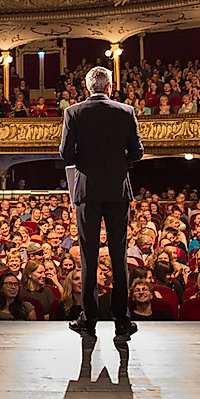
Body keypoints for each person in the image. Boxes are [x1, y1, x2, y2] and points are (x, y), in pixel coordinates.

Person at [60, 65, 143, 340]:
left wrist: (87, 159)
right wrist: (119, 161)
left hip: (87, 191)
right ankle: (122, 320)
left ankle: (89, 319)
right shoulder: (126, 111)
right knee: (118, 256)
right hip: (118, 190)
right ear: (109, 87)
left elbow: (66, 155)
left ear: (87, 88)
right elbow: (138, 152)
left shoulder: (73, 112)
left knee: (88, 255)